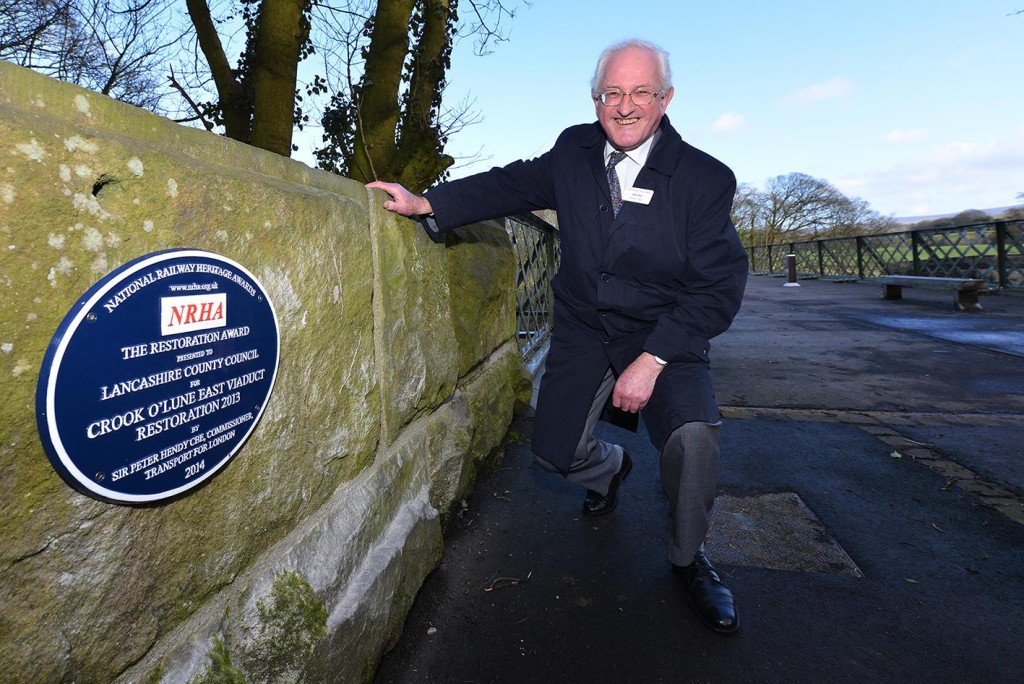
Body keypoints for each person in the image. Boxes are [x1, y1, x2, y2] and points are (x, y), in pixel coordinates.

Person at [368, 38, 748, 635]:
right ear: (596, 98)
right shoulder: (575, 148)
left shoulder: (704, 179)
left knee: (694, 437)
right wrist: (427, 202)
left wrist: (651, 360)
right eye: (612, 93)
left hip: (663, 334)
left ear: (666, 98)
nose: (625, 106)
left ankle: (689, 558)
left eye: (641, 92)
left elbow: (717, 289)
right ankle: (612, 469)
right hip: (582, 327)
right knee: (554, 450)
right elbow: (513, 185)